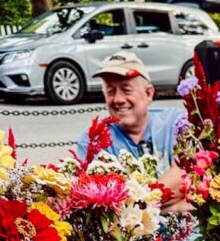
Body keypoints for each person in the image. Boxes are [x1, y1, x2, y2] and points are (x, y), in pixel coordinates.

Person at [74, 50, 187, 205]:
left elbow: (191, 179)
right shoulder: (91, 140)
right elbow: (104, 208)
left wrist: (138, 206)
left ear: (148, 94)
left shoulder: (175, 122)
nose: (118, 99)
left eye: (126, 90)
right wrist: (172, 205)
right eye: (110, 91)